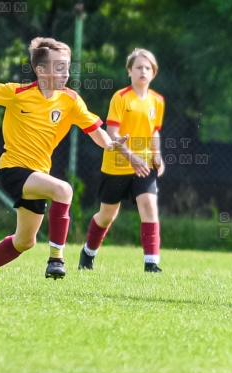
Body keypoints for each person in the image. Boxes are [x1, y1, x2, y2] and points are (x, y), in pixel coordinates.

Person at [0, 37, 119, 290]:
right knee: (63, 189)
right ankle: (56, 258)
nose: (66, 73)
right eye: (59, 67)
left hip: (38, 175)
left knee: (24, 241)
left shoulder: (70, 100)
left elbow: (94, 129)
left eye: (67, 67)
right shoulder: (19, 93)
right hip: (13, 170)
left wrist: (109, 144)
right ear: (41, 70)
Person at [78, 48, 165, 273]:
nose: (143, 71)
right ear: (129, 71)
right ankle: (88, 252)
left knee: (149, 206)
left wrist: (157, 155)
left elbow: (154, 132)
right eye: (138, 67)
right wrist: (132, 157)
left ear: (153, 73)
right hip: (116, 165)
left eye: (148, 68)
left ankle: (152, 263)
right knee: (107, 216)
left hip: (143, 166)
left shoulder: (158, 101)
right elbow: (112, 134)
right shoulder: (121, 97)